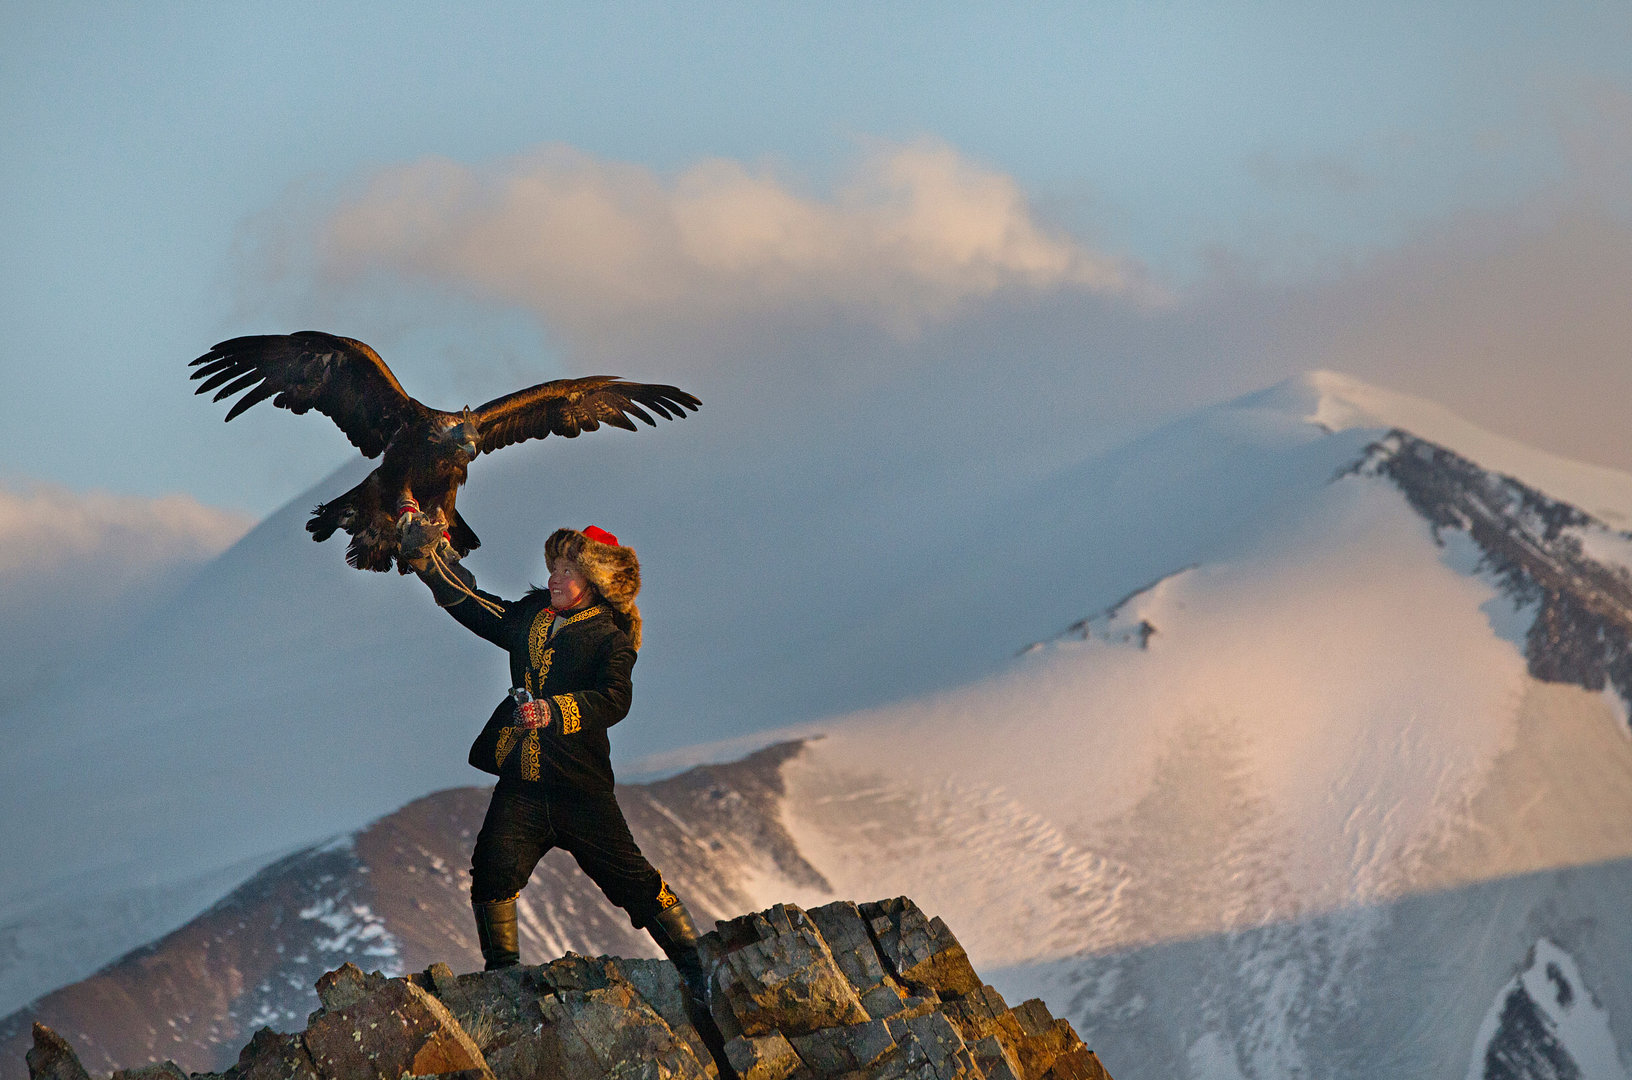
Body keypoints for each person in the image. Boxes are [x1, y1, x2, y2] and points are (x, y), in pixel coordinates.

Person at [398, 514, 711, 1005]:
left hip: (581, 790)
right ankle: (503, 983)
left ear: (596, 580)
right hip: (523, 783)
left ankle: (700, 974)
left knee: (633, 882)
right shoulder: (531, 617)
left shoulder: (611, 638)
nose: (555, 577)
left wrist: (556, 710)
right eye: (555, 566)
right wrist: (428, 563)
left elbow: (615, 700)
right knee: (491, 872)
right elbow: (480, 608)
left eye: (568, 568)